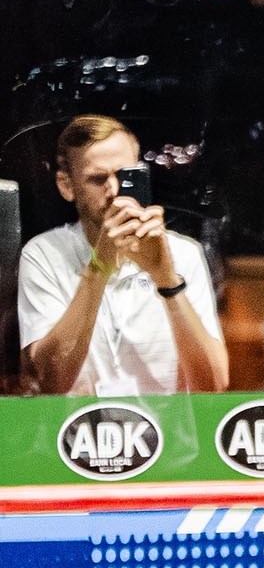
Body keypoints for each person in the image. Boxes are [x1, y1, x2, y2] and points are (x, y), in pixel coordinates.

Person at [16, 114, 228, 395]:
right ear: (67, 186)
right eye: (98, 178)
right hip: (79, 432)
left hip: (168, 431)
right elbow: (49, 381)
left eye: (126, 176)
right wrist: (99, 267)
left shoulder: (183, 253)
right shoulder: (44, 254)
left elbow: (214, 386)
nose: (114, 191)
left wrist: (167, 280)